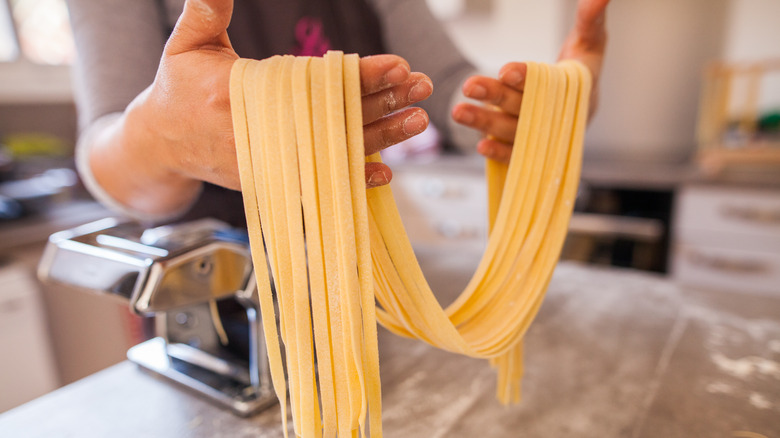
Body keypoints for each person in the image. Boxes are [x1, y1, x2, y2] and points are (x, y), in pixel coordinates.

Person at [66, 0, 609, 225]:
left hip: (363, 283)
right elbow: (107, 155)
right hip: (219, 308)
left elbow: (446, 91)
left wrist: (536, 112)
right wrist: (160, 138)